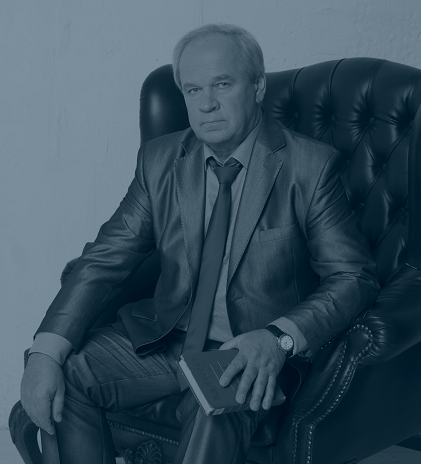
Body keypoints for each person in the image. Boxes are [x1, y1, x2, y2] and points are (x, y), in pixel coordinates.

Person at [20, 23, 380, 464]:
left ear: (258, 87)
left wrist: (278, 339)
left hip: (247, 351)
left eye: (222, 84)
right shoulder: (160, 160)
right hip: (166, 338)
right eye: (192, 90)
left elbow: (353, 277)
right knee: (64, 375)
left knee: (218, 406)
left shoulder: (310, 167)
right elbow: (105, 258)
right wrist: (44, 351)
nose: (206, 103)